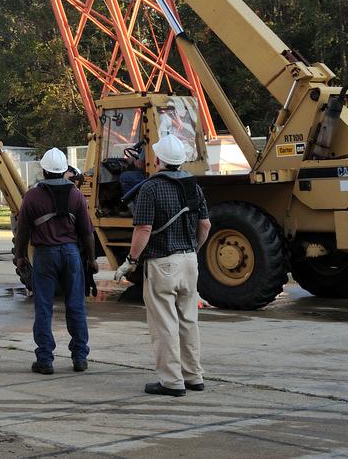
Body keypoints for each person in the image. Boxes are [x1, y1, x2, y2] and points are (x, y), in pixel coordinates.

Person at [115, 133, 211, 397]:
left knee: (164, 324)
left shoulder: (150, 188)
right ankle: (194, 376)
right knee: (189, 321)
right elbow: (205, 225)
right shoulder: (194, 187)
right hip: (190, 260)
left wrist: (131, 260)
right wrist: (194, 250)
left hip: (162, 263)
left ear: (157, 159)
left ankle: (171, 381)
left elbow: (144, 228)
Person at [14, 147, 97, 375]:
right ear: (64, 171)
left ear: (43, 170)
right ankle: (80, 357)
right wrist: (91, 259)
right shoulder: (76, 195)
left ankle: (45, 359)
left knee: (43, 307)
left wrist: (20, 256)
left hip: (45, 255)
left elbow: (22, 232)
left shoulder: (32, 196)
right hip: (71, 254)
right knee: (76, 306)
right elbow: (87, 232)